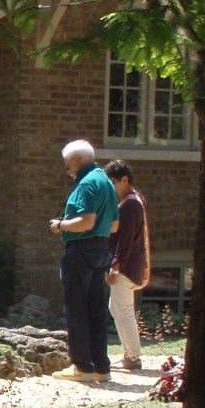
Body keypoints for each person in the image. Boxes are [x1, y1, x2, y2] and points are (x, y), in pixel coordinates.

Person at [48, 139, 119, 381]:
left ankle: (82, 367)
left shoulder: (87, 183)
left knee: (76, 308)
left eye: (68, 163)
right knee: (96, 309)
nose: (67, 168)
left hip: (81, 250)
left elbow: (85, 222)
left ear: (77, 160)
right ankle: (102, 367)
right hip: (101, 250)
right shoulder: (107, 182)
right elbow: (115, 223)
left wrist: (60, 225)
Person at [104, 159, 151, 371]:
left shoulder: (130, 204)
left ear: (125, 179)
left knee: (123, 310)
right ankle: (129, 354)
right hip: (127, 264)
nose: (111, 188)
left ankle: (132, 357)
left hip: (126, 266)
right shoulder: (134, 200)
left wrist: (115, 266)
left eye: (113, 183)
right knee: (117, 308)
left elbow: (126, 240)